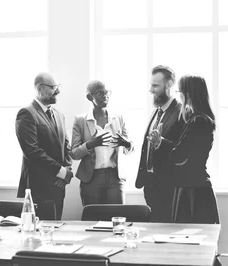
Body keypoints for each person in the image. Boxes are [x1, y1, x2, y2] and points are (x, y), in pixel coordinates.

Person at [148, 75, 219, 224]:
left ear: (188, 93)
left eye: (179, 91)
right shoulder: (198, 118)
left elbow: (179, 155)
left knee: (193, 238)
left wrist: (161, 142)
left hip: (193, 189)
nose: (178, 95)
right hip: (191, 185)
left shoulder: (198, 121)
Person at [15, 72, 73, 220]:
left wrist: (66, 172)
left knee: (56, 228)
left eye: (58, 87)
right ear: (40, 88)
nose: (58, 91)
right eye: (53, 87)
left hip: (59, 186)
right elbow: (32, 151)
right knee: (39, 234)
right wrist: (60, 171)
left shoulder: (59, 115)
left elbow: (66, 147)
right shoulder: (27, 113)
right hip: (39, 186)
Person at [70, 80, 134, 206]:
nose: (105, 96)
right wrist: (90, 144)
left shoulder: (119, 118)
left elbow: (129, 150)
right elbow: (74, 154)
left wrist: (126, 143)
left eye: (107, 92)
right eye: (100, 93)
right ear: (90, 97)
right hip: (91, 177)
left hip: (115, 177)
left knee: (117, 217)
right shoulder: (80, 121)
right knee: (92, 218)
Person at [135, 65, 184, 223]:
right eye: (151, 85)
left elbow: (183, 150)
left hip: (168, 185)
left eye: (155, 85)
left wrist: (161, 142)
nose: (151, 90)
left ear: (169, 85)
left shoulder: (181, 112)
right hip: (150, 183)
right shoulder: (156, 111)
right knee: (154, 228)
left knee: (167, 231)